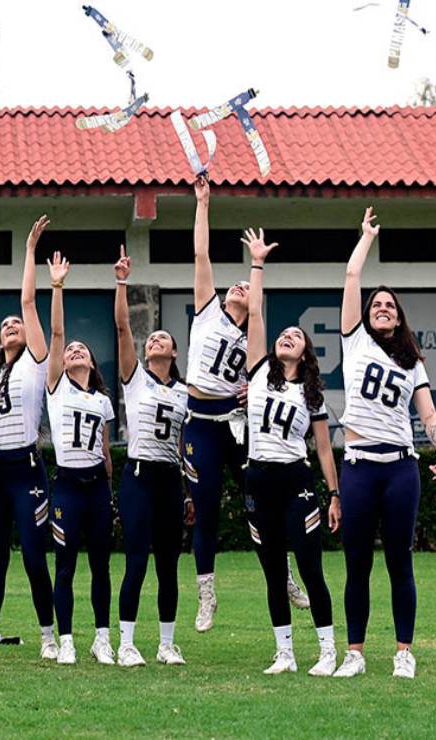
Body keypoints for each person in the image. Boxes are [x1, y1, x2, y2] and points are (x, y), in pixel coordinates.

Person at [182, 176, 308, 632]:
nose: (237, 288)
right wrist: (203, 204)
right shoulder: (207, 310)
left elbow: (269, 378)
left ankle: (285, 574)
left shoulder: (257, 334)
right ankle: (206, 593)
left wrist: (253, 389)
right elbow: (201, 255)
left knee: (259, 505)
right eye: (232, 285)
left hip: (237, 425)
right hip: (200, 421)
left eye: (245, 285)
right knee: (207, 507)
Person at [333, 207, 436, 680]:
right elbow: (350, 274)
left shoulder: (411, 362)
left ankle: (404, 650)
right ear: (367, 314)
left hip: (400, 467)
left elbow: (426, 413)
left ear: (399, 316)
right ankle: (356, 652)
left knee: (399, 561)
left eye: (390, 305)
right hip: (360, 466)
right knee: (357, 563)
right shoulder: (355, 342)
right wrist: (365, 237)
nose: (382, 307)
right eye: (376, 303)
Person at [241, 228, 340, 676]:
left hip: (295, 481)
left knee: (310, 567)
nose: (286, 337)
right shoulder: (259, 370)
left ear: (306, 351)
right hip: (258, 478)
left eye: (295, 336)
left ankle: (327, 649)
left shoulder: (312, 393)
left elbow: (323, 449)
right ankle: (285, 652)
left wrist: (334, 493)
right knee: (273, 571)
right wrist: (256, 264)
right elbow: (256, 316)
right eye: (284, 334)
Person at [0, 216, 57, 661]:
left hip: (25, 467)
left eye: (16, 324)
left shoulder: (35, 362)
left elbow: (27, 301)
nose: (11, 325)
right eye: (4, 324)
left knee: (34, 554)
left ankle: (47, 634)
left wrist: (28, 252)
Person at [113, 246, 190, 667]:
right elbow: (124, 328)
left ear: (174, 353)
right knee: (137, 559)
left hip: (169, 478)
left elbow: (191, 439)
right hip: (139, 475)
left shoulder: (184, 391)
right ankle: (127, 642)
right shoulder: (136, 380)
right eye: (153, 338)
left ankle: (166, 642)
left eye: (165, 338)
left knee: (168, 565)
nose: (156, 338)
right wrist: (122, 282)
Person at [44, 251, 116, 666]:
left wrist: (109, 486)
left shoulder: (103, 400)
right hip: (67, 485)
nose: (73, 350)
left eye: (80, 349)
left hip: (96, 485)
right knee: (66, 565)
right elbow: (56, 335)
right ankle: (67, 637)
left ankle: (102, 638)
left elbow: (105, 450)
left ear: (91, 361)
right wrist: (57, 287)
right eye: (69, 350)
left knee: (101, 566)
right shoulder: (58, 388)